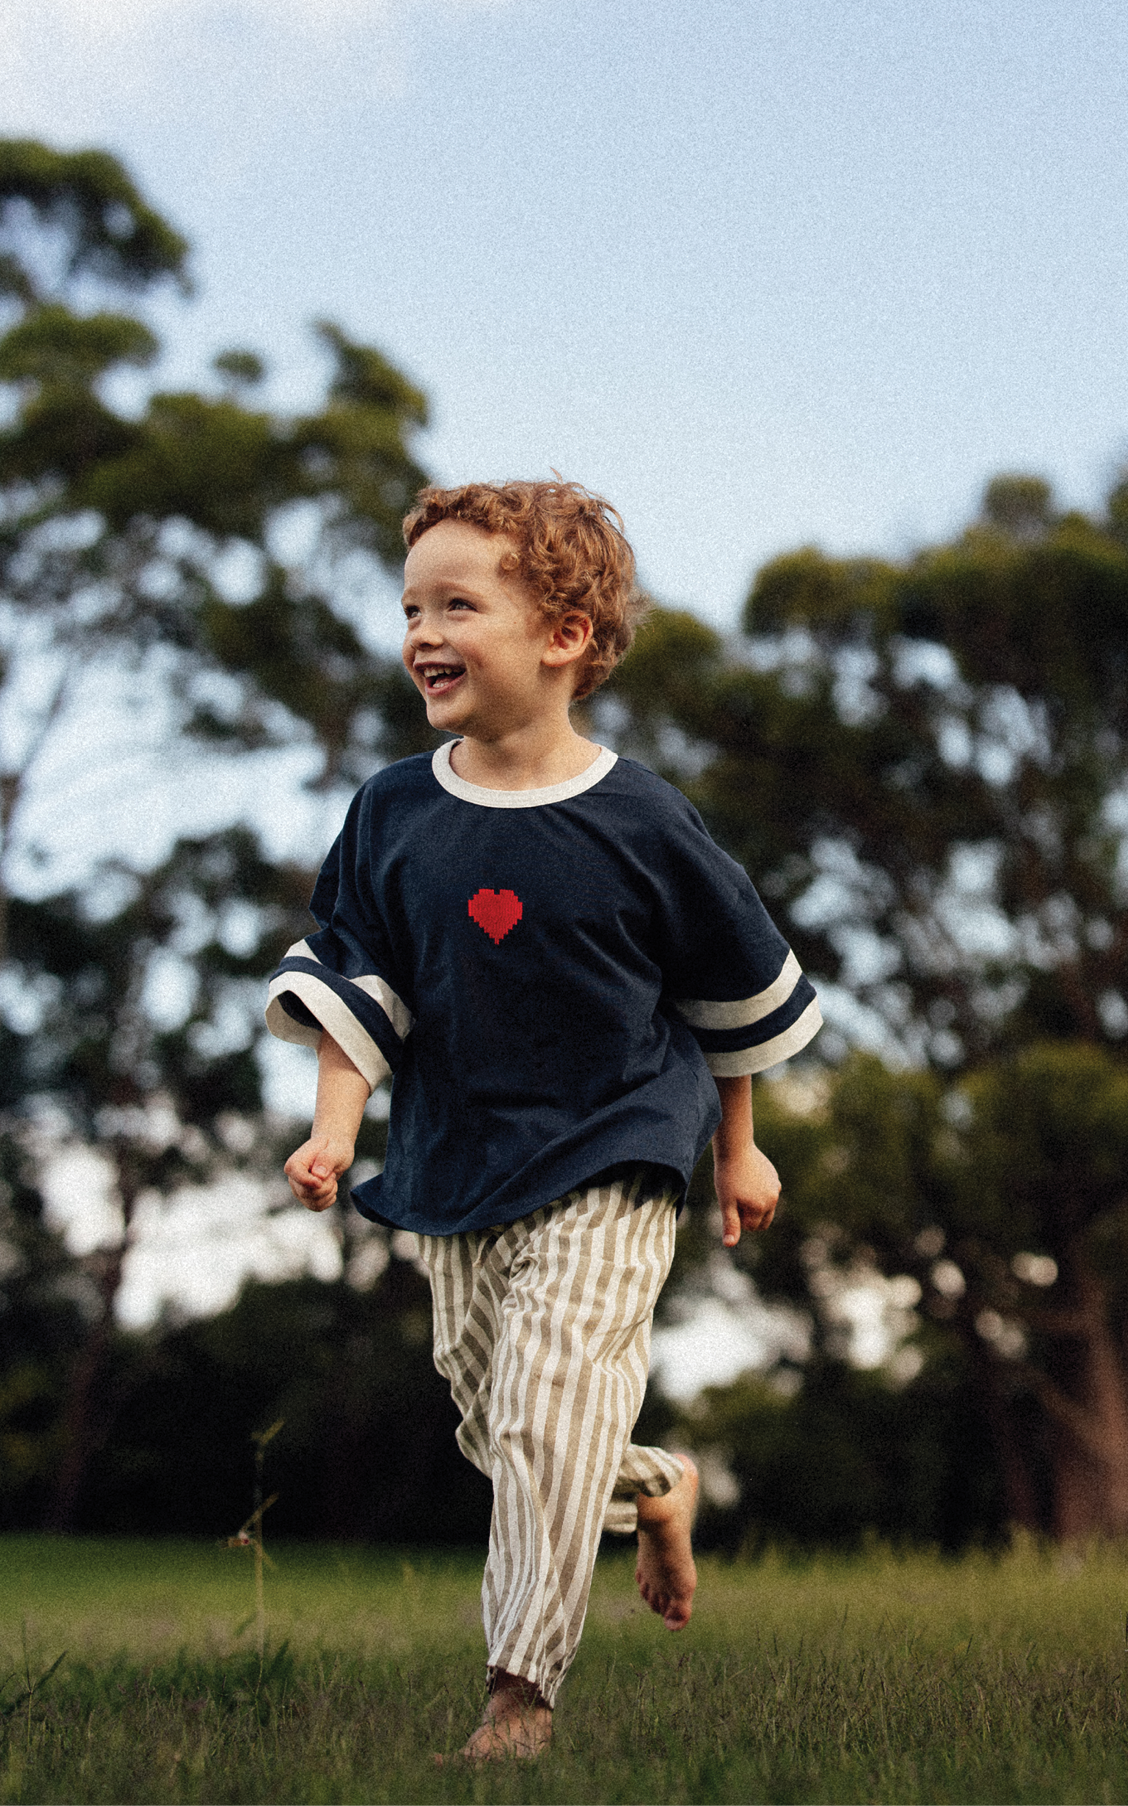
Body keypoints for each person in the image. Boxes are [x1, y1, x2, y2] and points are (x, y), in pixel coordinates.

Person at [266, 480, 820, 1761]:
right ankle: (655, 1486)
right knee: (496, 1415)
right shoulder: (394, 812)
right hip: (457, 1161)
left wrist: (738, 1147)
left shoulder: (643, 820)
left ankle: (518, 1699)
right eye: (411, 609)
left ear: (564, 635)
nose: (422, 633)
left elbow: (725, 991)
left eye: (458, 606)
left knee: (543, 1401)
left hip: (618, 1148)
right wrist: (336, 1133)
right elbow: (358, 986)